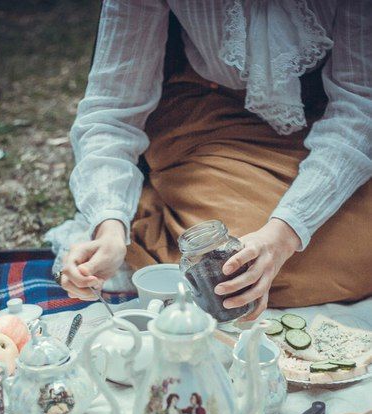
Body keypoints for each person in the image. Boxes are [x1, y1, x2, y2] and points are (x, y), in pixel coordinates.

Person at [56, 1, 372, 319]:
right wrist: (110, 227)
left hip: (327, 120)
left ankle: (165, 213)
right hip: (209, 115)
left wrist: (282, 237)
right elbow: (111, 111)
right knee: (226, 259)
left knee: (358, 250)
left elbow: (361, 106)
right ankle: (139, 214)